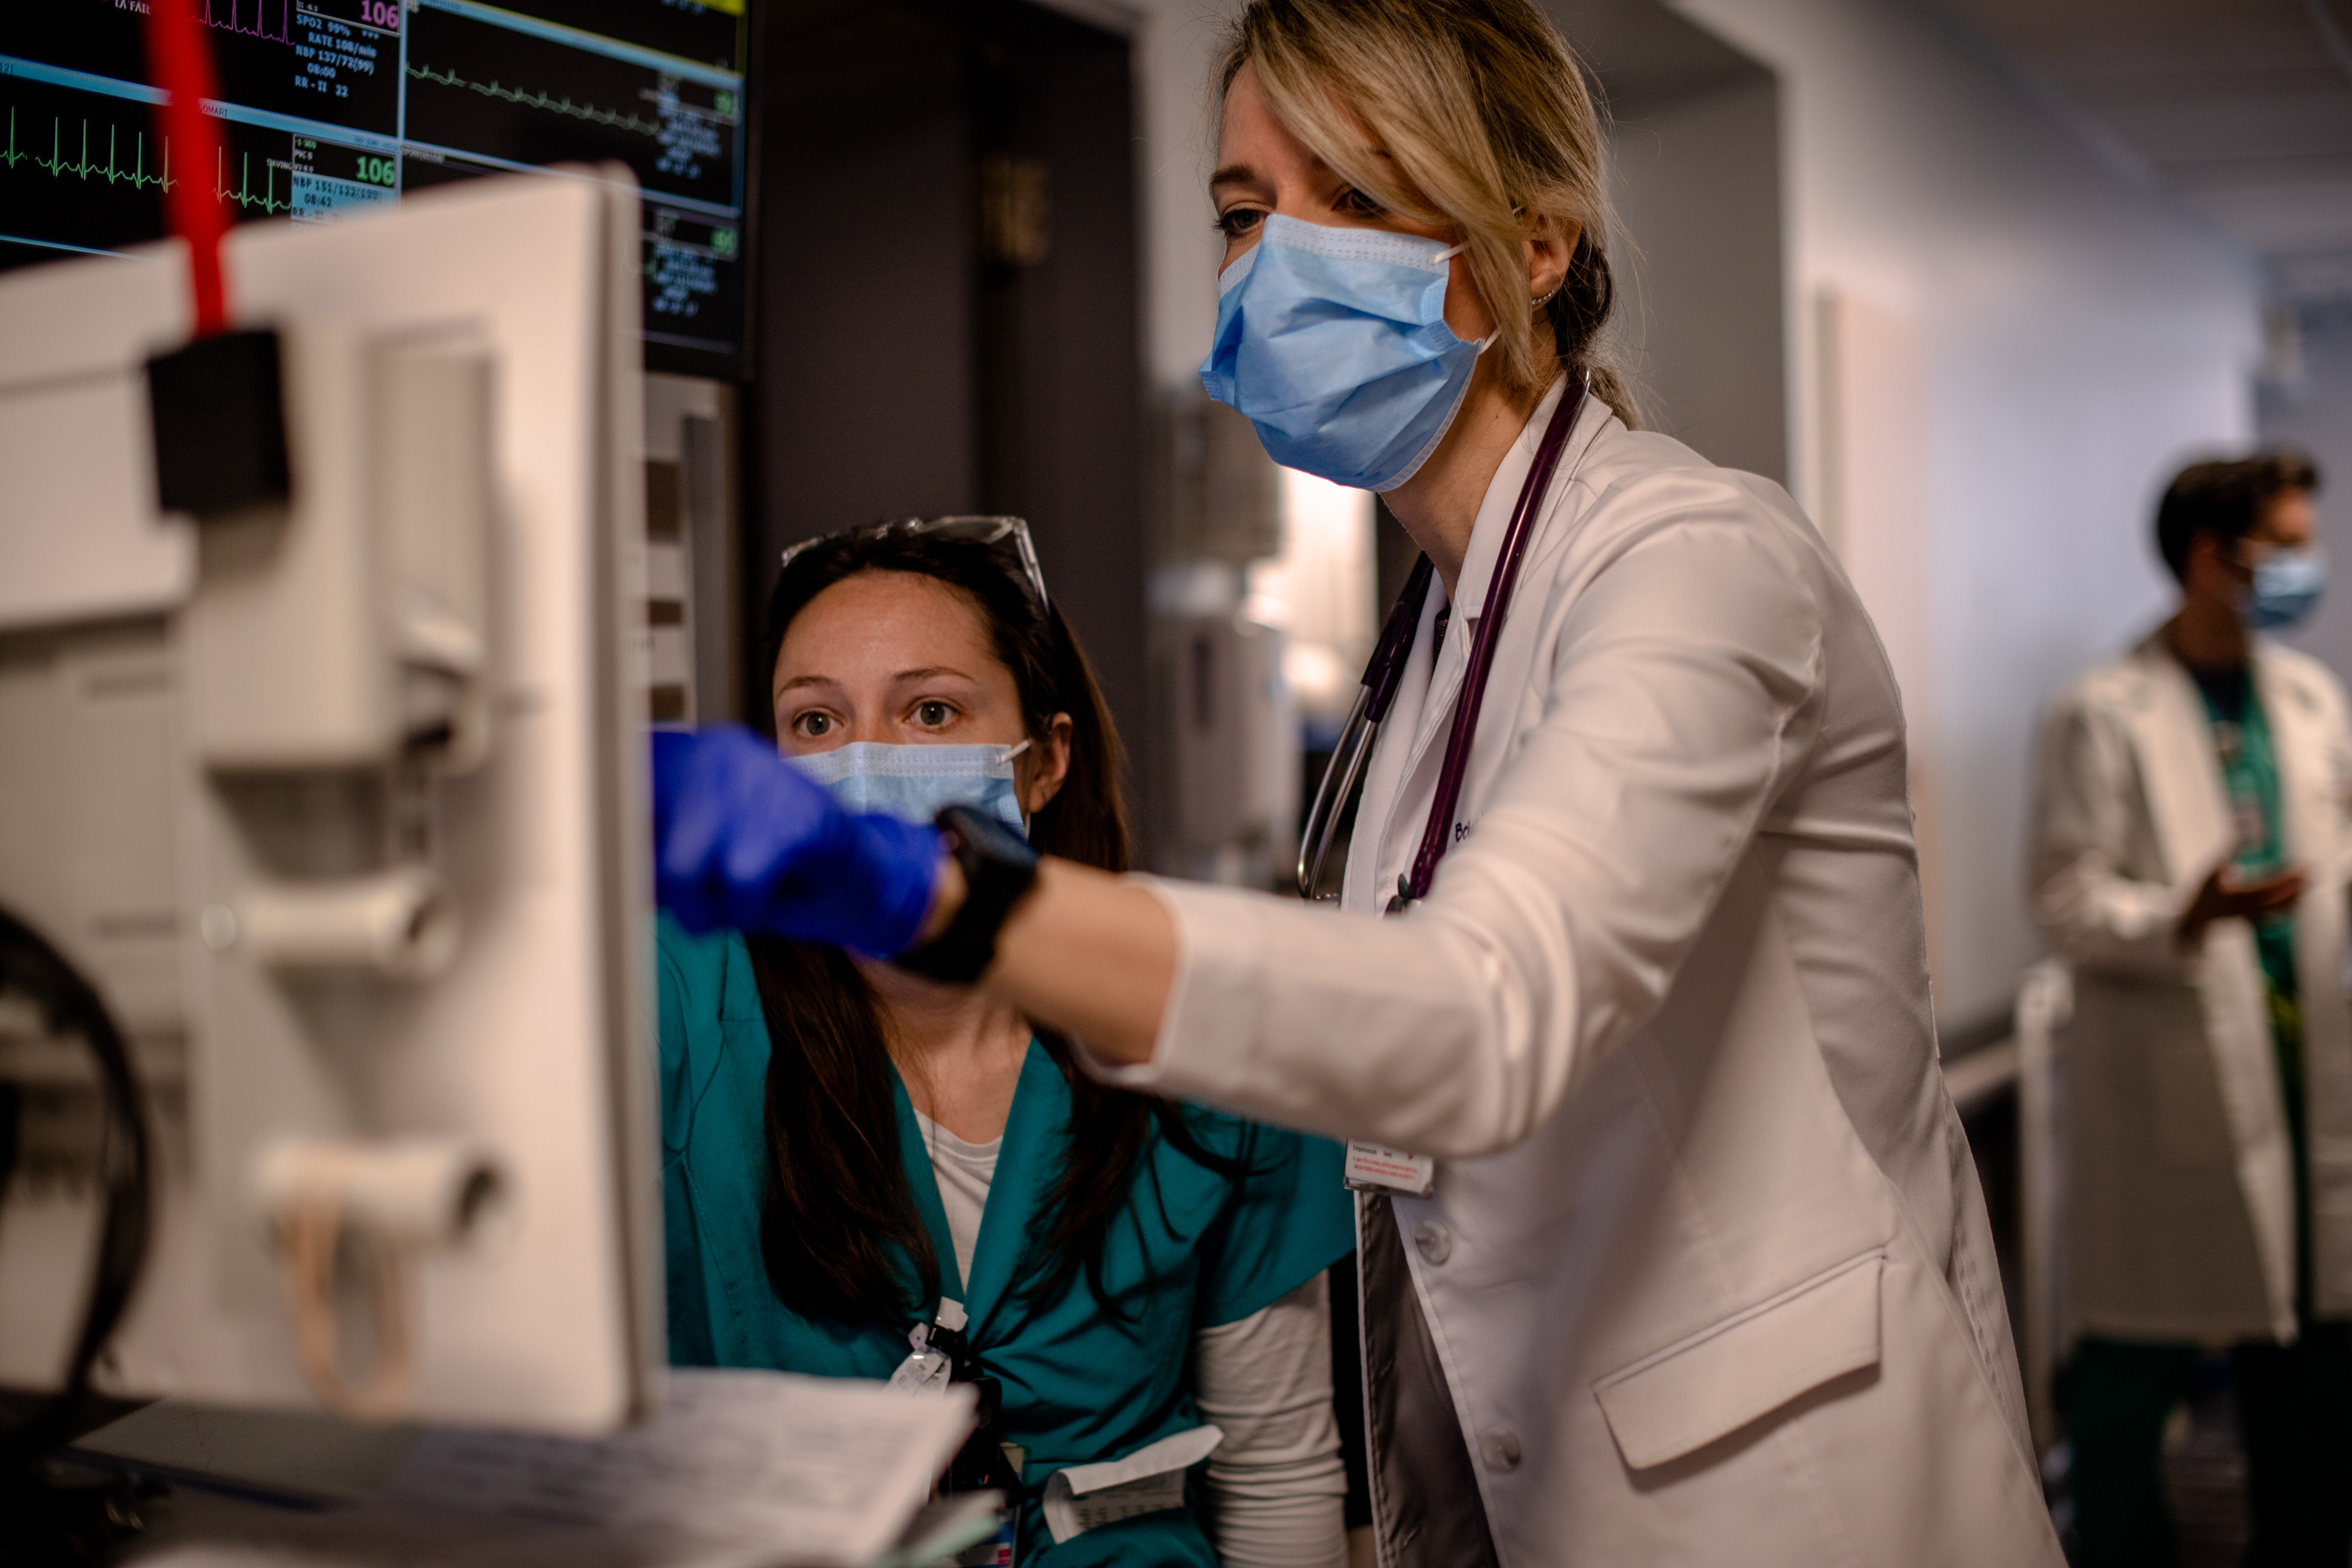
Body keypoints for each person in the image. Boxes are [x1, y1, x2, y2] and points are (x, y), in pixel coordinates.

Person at [653, 1, 2062, 1560]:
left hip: (1784, 1505)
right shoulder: (1430, 654)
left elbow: (1480, 1011)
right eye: (1246, 215)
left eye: (1359, 197)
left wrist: (933, 892)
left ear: (1534, 242)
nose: (1277, 263)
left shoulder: (1696, 561)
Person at [656, 520, 1356, 1567]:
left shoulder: (1197, 1029)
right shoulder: (682, 995)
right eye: (815, 722)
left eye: (930, 711)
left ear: (1045, 762)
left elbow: (1276, 1470)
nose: (864, 764)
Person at [2030, 450, 2352, 1568]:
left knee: (2312, 1368)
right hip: (2172, 1081)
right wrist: (2187, 913)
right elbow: (2066, 899)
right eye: (2291, 542)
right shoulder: (2100, 713)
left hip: (2312, 1080)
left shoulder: (2309, 700)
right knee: (2133, 1372)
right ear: (2215, 557)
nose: (2308, 565)